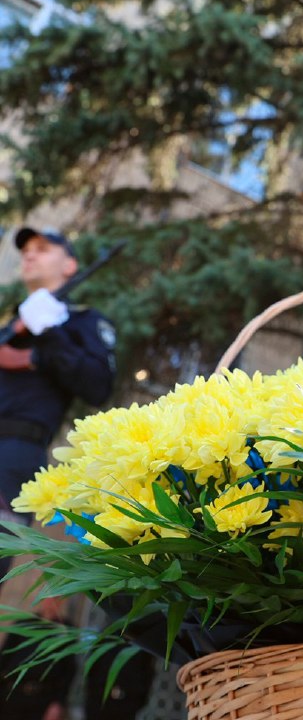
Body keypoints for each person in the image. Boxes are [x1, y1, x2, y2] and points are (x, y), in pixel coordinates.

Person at [0, 226, 116, 720]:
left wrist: (49, 333)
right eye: (25, 250)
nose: (30, 255)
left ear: (70, 266)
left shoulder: (80, 322)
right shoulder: (11, 323)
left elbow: (98, 384)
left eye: (43, 249)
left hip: (12, 452)